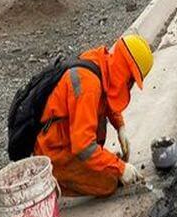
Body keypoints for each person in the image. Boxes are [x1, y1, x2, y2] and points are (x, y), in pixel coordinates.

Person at [34, 34, 154, 197]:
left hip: (65, 138)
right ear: (125, 70)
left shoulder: (101, 61)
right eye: (131, 80)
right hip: (53, 152)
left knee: (110, 166)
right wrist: (120, 168)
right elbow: (83, 146)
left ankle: (82, 169)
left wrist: (120, 126)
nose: (130, 85)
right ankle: (52, 182)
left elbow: (107, 94)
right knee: (108, 182)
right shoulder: (88, 86)